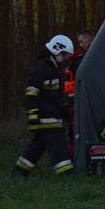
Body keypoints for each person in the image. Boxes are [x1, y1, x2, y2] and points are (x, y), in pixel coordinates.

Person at [12, 35, 77, 177]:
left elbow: (56, 95)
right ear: (57, 50)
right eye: (65, 54)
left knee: (37, 146)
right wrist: (33, 115)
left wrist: (64, 110)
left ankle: (19, 171)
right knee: (58, 146)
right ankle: (67, 173)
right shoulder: (41, 68)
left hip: (53, 116)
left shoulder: (54, 68)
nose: (65, 58)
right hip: (46, 118)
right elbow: (31, 93)